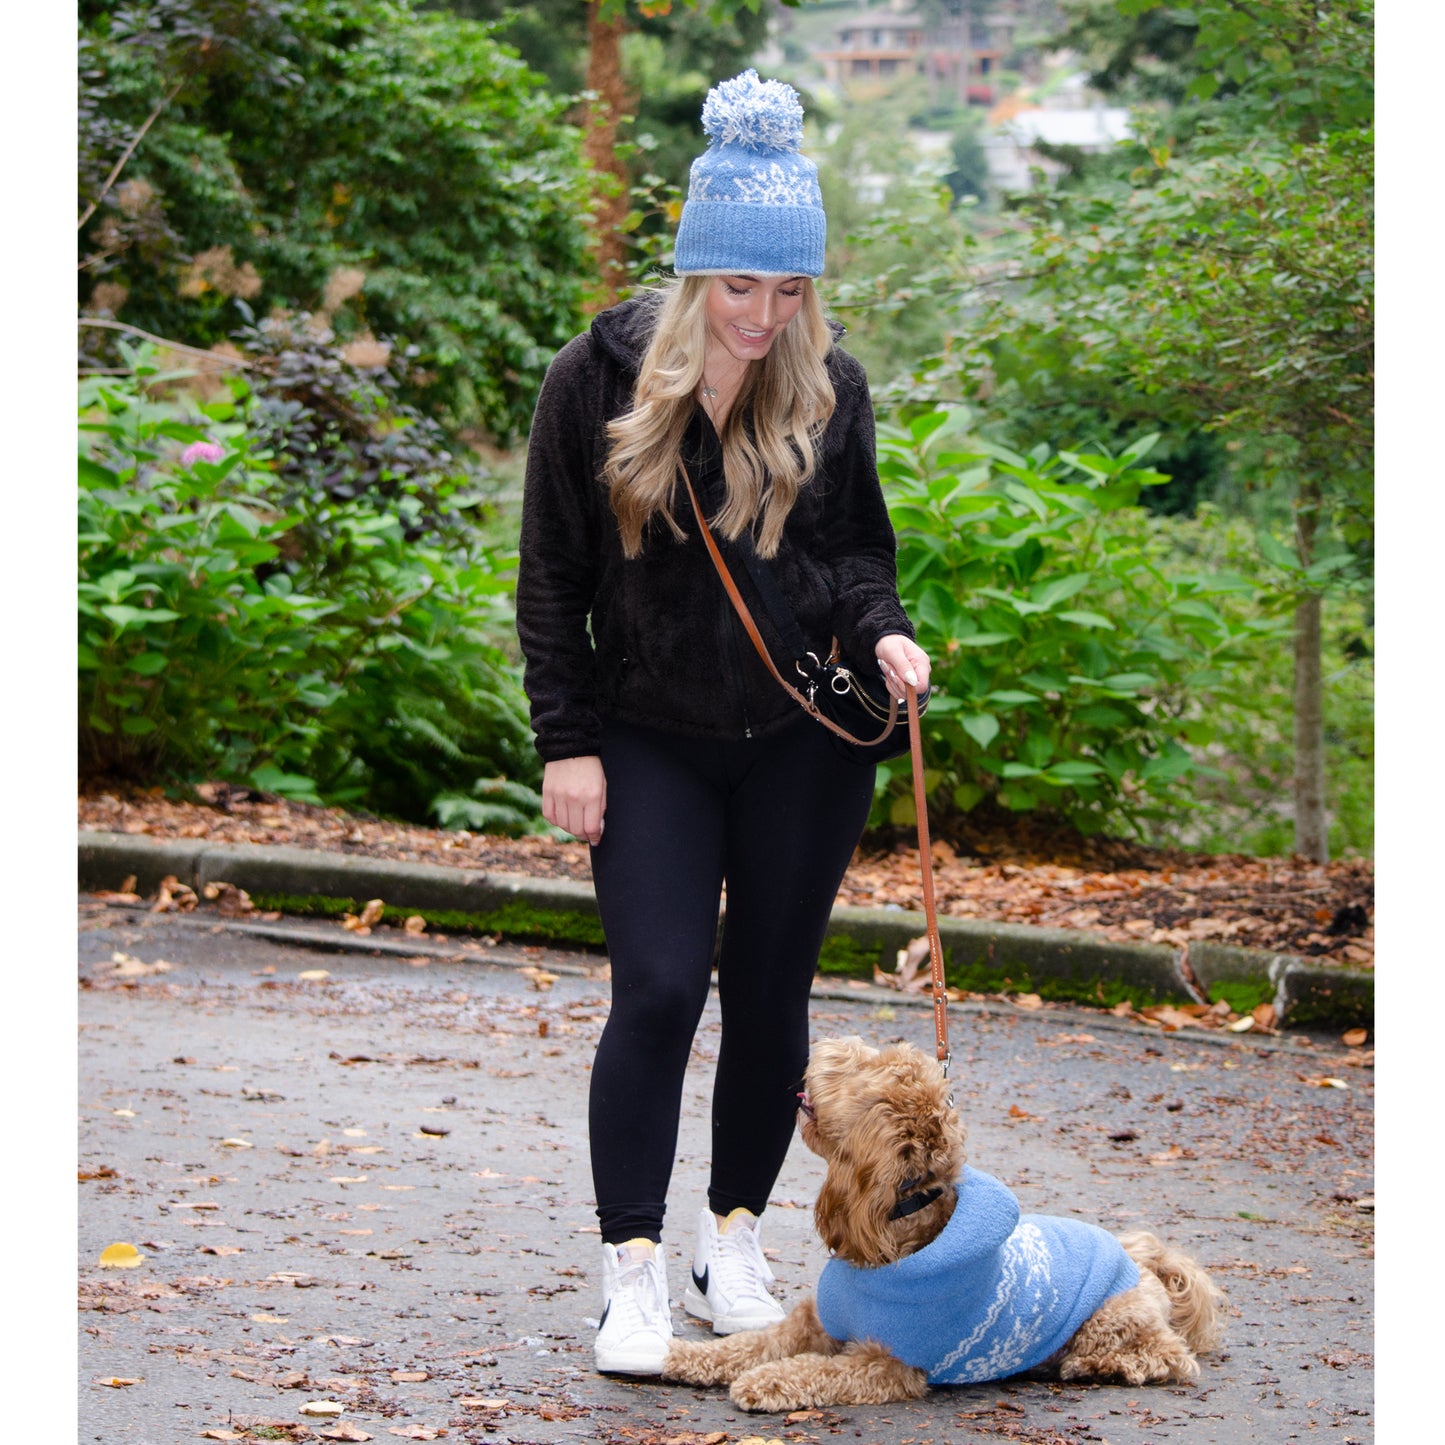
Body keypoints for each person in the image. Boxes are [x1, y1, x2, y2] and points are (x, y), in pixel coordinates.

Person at [515, 69, 931, 1377]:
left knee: (769, 995)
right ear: (698, 273)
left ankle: (730, 1240)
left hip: (803, 740)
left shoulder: (826, 388)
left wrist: (885, 633)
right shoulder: (596, 381)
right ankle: (631, 1270)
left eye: (788, 288)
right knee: (654, 986)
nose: (762, 317)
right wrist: (564, 738)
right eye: (740, 287)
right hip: (645, 733)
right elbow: (550, 581)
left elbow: (858, 554)